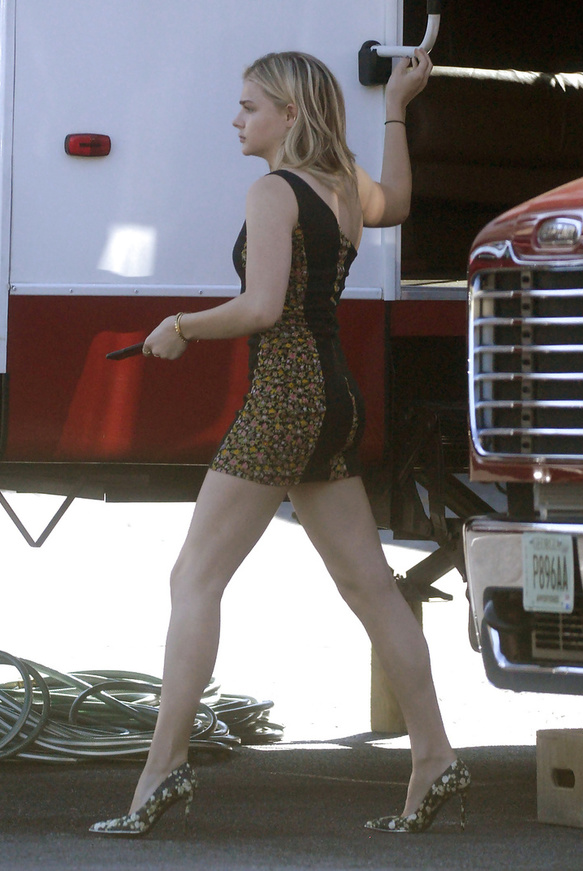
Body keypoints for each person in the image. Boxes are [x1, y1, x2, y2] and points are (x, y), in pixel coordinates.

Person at [89, 47, 470, 838]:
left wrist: (181, 325)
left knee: (194, 577)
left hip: (286, 398)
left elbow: (261, 307)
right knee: (371, 587)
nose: (236, 118)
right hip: (335, 400)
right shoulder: (343, 186)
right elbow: (399, 200)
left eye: (249, 106)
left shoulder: (275, 191)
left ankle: (162, 769)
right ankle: (433, 755)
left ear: (289, 115)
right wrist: (395, 107)